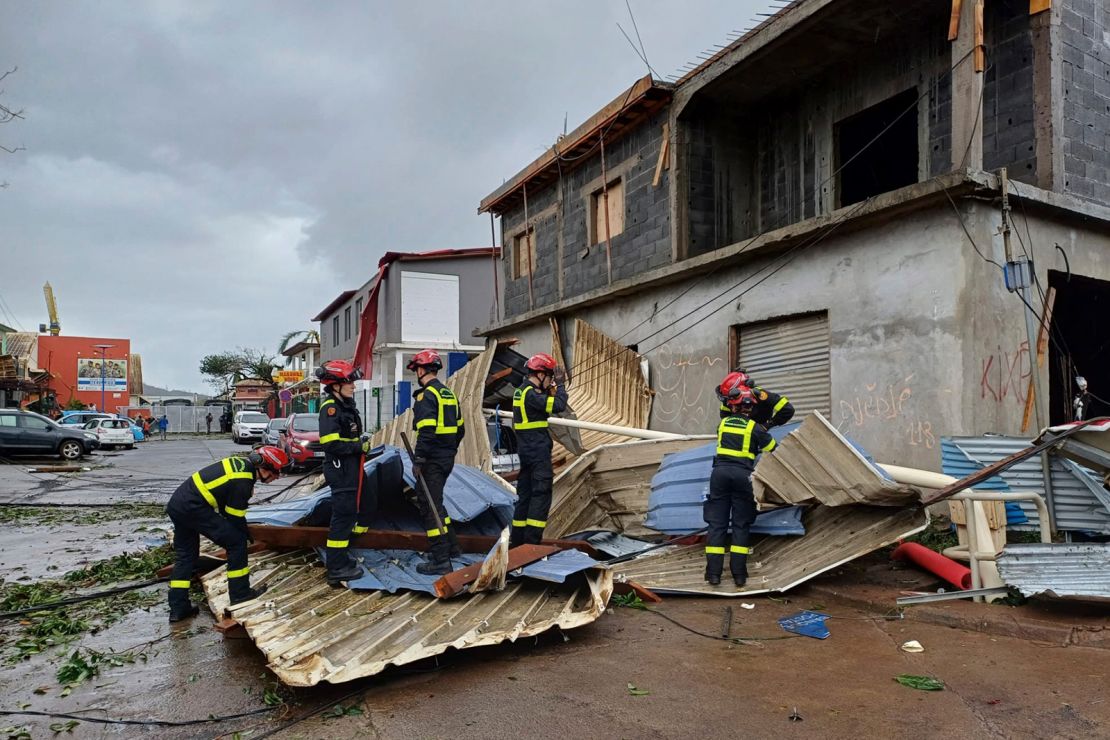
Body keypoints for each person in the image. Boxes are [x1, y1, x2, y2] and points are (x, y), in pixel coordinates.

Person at [165, 445, 289, 621]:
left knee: (186, 557)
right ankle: (241, 594)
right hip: (194, 508)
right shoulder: (244, 480)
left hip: (178, 505)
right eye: (276, 472)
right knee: (237, 544)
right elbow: (234, 516)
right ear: (265, 467)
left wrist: (241, 529)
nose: (276, 477)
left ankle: (178, 609)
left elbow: (225, 507)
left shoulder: (240, 466)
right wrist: (245, 535)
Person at [705, 377, 777, 588]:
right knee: (740, 524)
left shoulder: (723, 424)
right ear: (751, 408)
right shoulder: (755, 429)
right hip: (742, 476)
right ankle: (739, 576)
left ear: (733, 405)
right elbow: (773, 447)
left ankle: (713, 575)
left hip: (719, 475)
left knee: (717, 524)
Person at [315, 359, 374, 586]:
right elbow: (330, 444)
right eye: (349, 382)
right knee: (344, 515)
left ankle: (349, 545)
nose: (354, 386)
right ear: (336, 384)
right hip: (341, 470)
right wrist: (358, 446)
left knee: (367, 502)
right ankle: (336, 567)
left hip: (352, 467)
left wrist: (359, 443)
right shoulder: (330, 408)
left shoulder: (345, 405)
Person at [407, 349, 465, 575]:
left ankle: (440, 559)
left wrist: (419, 459)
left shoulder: (426, 396)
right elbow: (460, 429)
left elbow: (427, 431)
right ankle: (452, 547)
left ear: (421, 370)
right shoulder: (448, 394)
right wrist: (448, 450)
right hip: (446, 457)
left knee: (429, 505)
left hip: (431, 459)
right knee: (436, 503)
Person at [510, 353, 567, 547]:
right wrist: (561, 386)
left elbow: (539, 409)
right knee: (541, 495)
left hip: (526, 451)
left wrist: (549, 390)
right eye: (550, 377)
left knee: (525, 496)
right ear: (541, 374)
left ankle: (516, 542)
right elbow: (559, 405)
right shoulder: (531, 394)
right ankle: (532, 545)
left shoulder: (522, 391)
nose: (551, 380)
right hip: (537, 451)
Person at [724, 368, 795, 429]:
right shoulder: (729, 398)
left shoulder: (761, 395)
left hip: (759, 434)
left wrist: (768, 425)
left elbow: (787, 409)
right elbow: (724, 413)